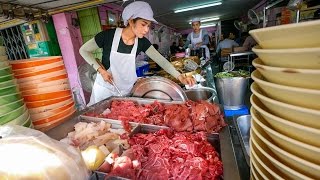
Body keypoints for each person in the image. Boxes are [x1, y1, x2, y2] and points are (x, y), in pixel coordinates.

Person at [79, 1, 195, 106]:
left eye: (148, 26)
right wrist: (101, 70)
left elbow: (161, 61)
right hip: (104, 91)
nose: (146, 30)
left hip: (125, 92)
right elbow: (83, 50)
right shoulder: (108, 36)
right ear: (130, 21)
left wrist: (180, 77)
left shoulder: (142, 42)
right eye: (143, 24)